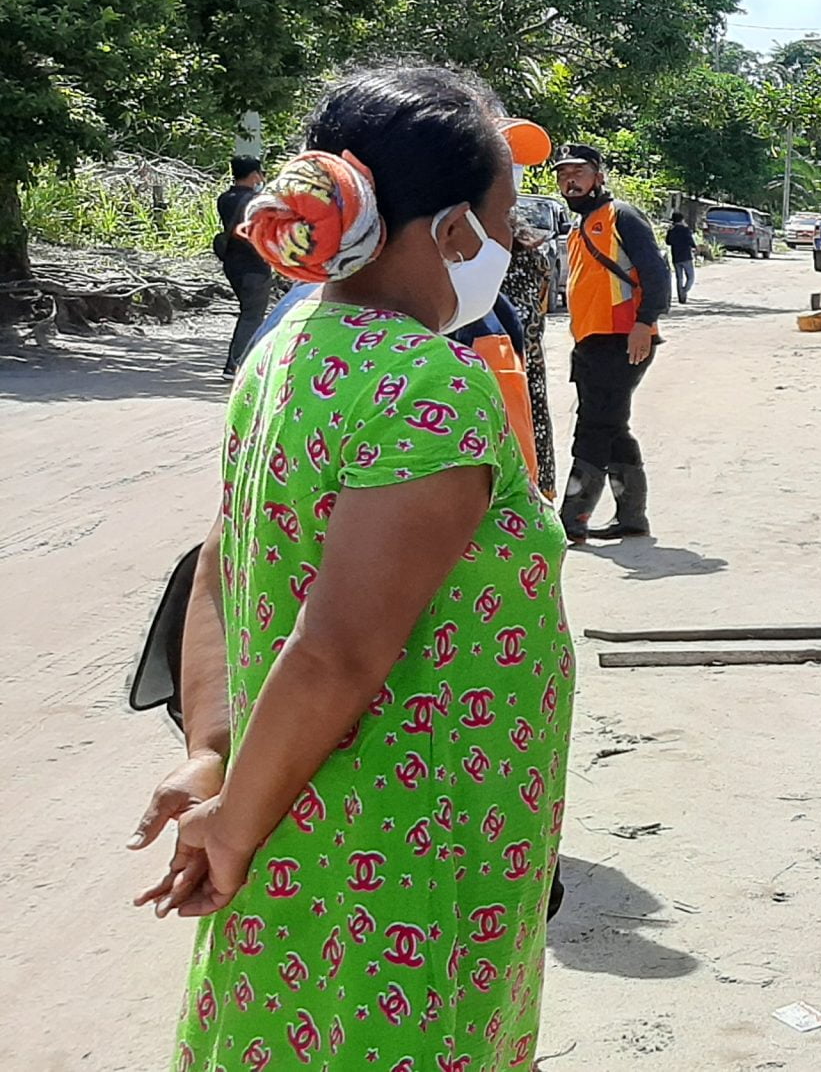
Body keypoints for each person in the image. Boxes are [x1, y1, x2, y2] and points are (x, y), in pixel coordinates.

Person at [126, 64, 576, 1071]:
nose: (515, 245)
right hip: (410, 842)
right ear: (455, 232)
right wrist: (231, 823)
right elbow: (334, 651)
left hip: (294, 805)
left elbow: (218, 569)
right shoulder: (430, 384)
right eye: (507, 220)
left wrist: (215, 757)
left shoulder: (289, 352)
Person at [552, 142, 671, 541]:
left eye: (579, 173)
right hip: (591, 341)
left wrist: (645, 322)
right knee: (612, 426)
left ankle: (572, 517)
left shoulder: (622, 216)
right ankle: (632, 517)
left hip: (622, 338)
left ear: (599, 177)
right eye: (564, 174)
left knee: (594, 427)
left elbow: (656, 271)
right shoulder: (580, 226)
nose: (570, 181)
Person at [499, 214, 560, 497]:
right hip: (529, 346)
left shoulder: (491, 258)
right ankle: (543, 488)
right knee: (534, 416)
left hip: (502, 349)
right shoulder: (537, 256)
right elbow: (541, 302)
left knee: (510, 420)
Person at [213, 156, 272, 375]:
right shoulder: (257, 201)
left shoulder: (224, 198)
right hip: (255, 264)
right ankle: (237, 363)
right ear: (255, 174)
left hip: (232, 263)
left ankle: (241, 359)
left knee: (247, 312)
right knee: (252, 315)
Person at [665, 210, 697, 304]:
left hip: (676, 256)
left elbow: (668, 242)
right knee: (690, 277)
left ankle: (681, 297)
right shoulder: (685, 230)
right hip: (686, 256)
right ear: (682, 219)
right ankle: (684, 291)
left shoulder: (671, 230)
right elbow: (690, 241)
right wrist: (695, 247)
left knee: (679, 278)